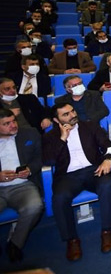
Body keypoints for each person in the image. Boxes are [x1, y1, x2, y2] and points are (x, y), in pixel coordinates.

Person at [42, 103, 111, 261]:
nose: (72, 115)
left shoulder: (90, 126)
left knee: (107, 186)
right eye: (66, 114)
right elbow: (49, 160)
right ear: (56, 120)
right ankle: (72, 240)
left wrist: (108, 159)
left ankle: (107, 231)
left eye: (73, 111)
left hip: (93, 170)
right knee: (59, 198)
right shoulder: (50, 137)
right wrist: (63, 139)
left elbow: (108, 145)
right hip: (68, 176)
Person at [0, 108, 43, 263]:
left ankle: (15, 243)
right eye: (6, 124)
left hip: (24, 185)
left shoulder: (29, 133)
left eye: (14, 121)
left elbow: (41, 156)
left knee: (35, 206)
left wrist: (30, 169)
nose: (13, 125)